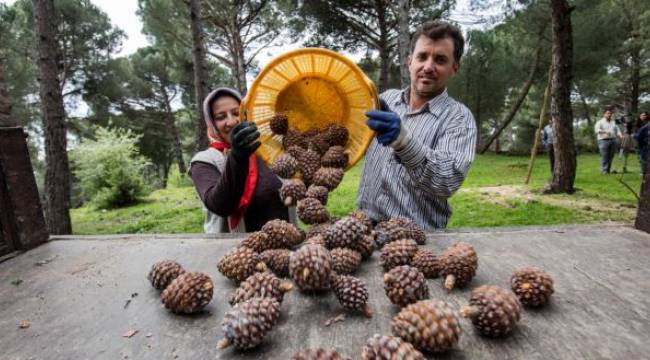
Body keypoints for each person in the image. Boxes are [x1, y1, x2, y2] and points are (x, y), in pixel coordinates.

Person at [357, 21, 477, 230]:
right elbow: (349, 140)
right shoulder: (384, 101)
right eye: (422, 57)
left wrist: (403, 142)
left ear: (454, 68)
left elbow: (446, 180)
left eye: (440, 60)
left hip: (420, 241)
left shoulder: (459, 118)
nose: (428, 67)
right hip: (364, 230)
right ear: (409, 61)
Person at [189, 87, 292, 233]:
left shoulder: (268, 150)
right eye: (220, 117)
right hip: (238, 252)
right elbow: (221, 206)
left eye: (236, 113)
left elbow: (298, 184)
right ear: (211, 123)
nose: (231, 122)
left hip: (286, 246)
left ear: (246, 114)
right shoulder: (204, 161)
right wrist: (237, 156)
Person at [594, 108, 622, 174]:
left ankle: (608, 170)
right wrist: (604, 132)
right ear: (604, 114)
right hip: (603, 141)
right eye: (607, 113)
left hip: (613, 140)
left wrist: (620, 135)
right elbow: (596, 130)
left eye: (610, 114)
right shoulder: (600, 122)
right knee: (604, 156)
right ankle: (604, 171)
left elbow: (617, 130)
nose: (609, 115)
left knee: (611, 156)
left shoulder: (613, 122)